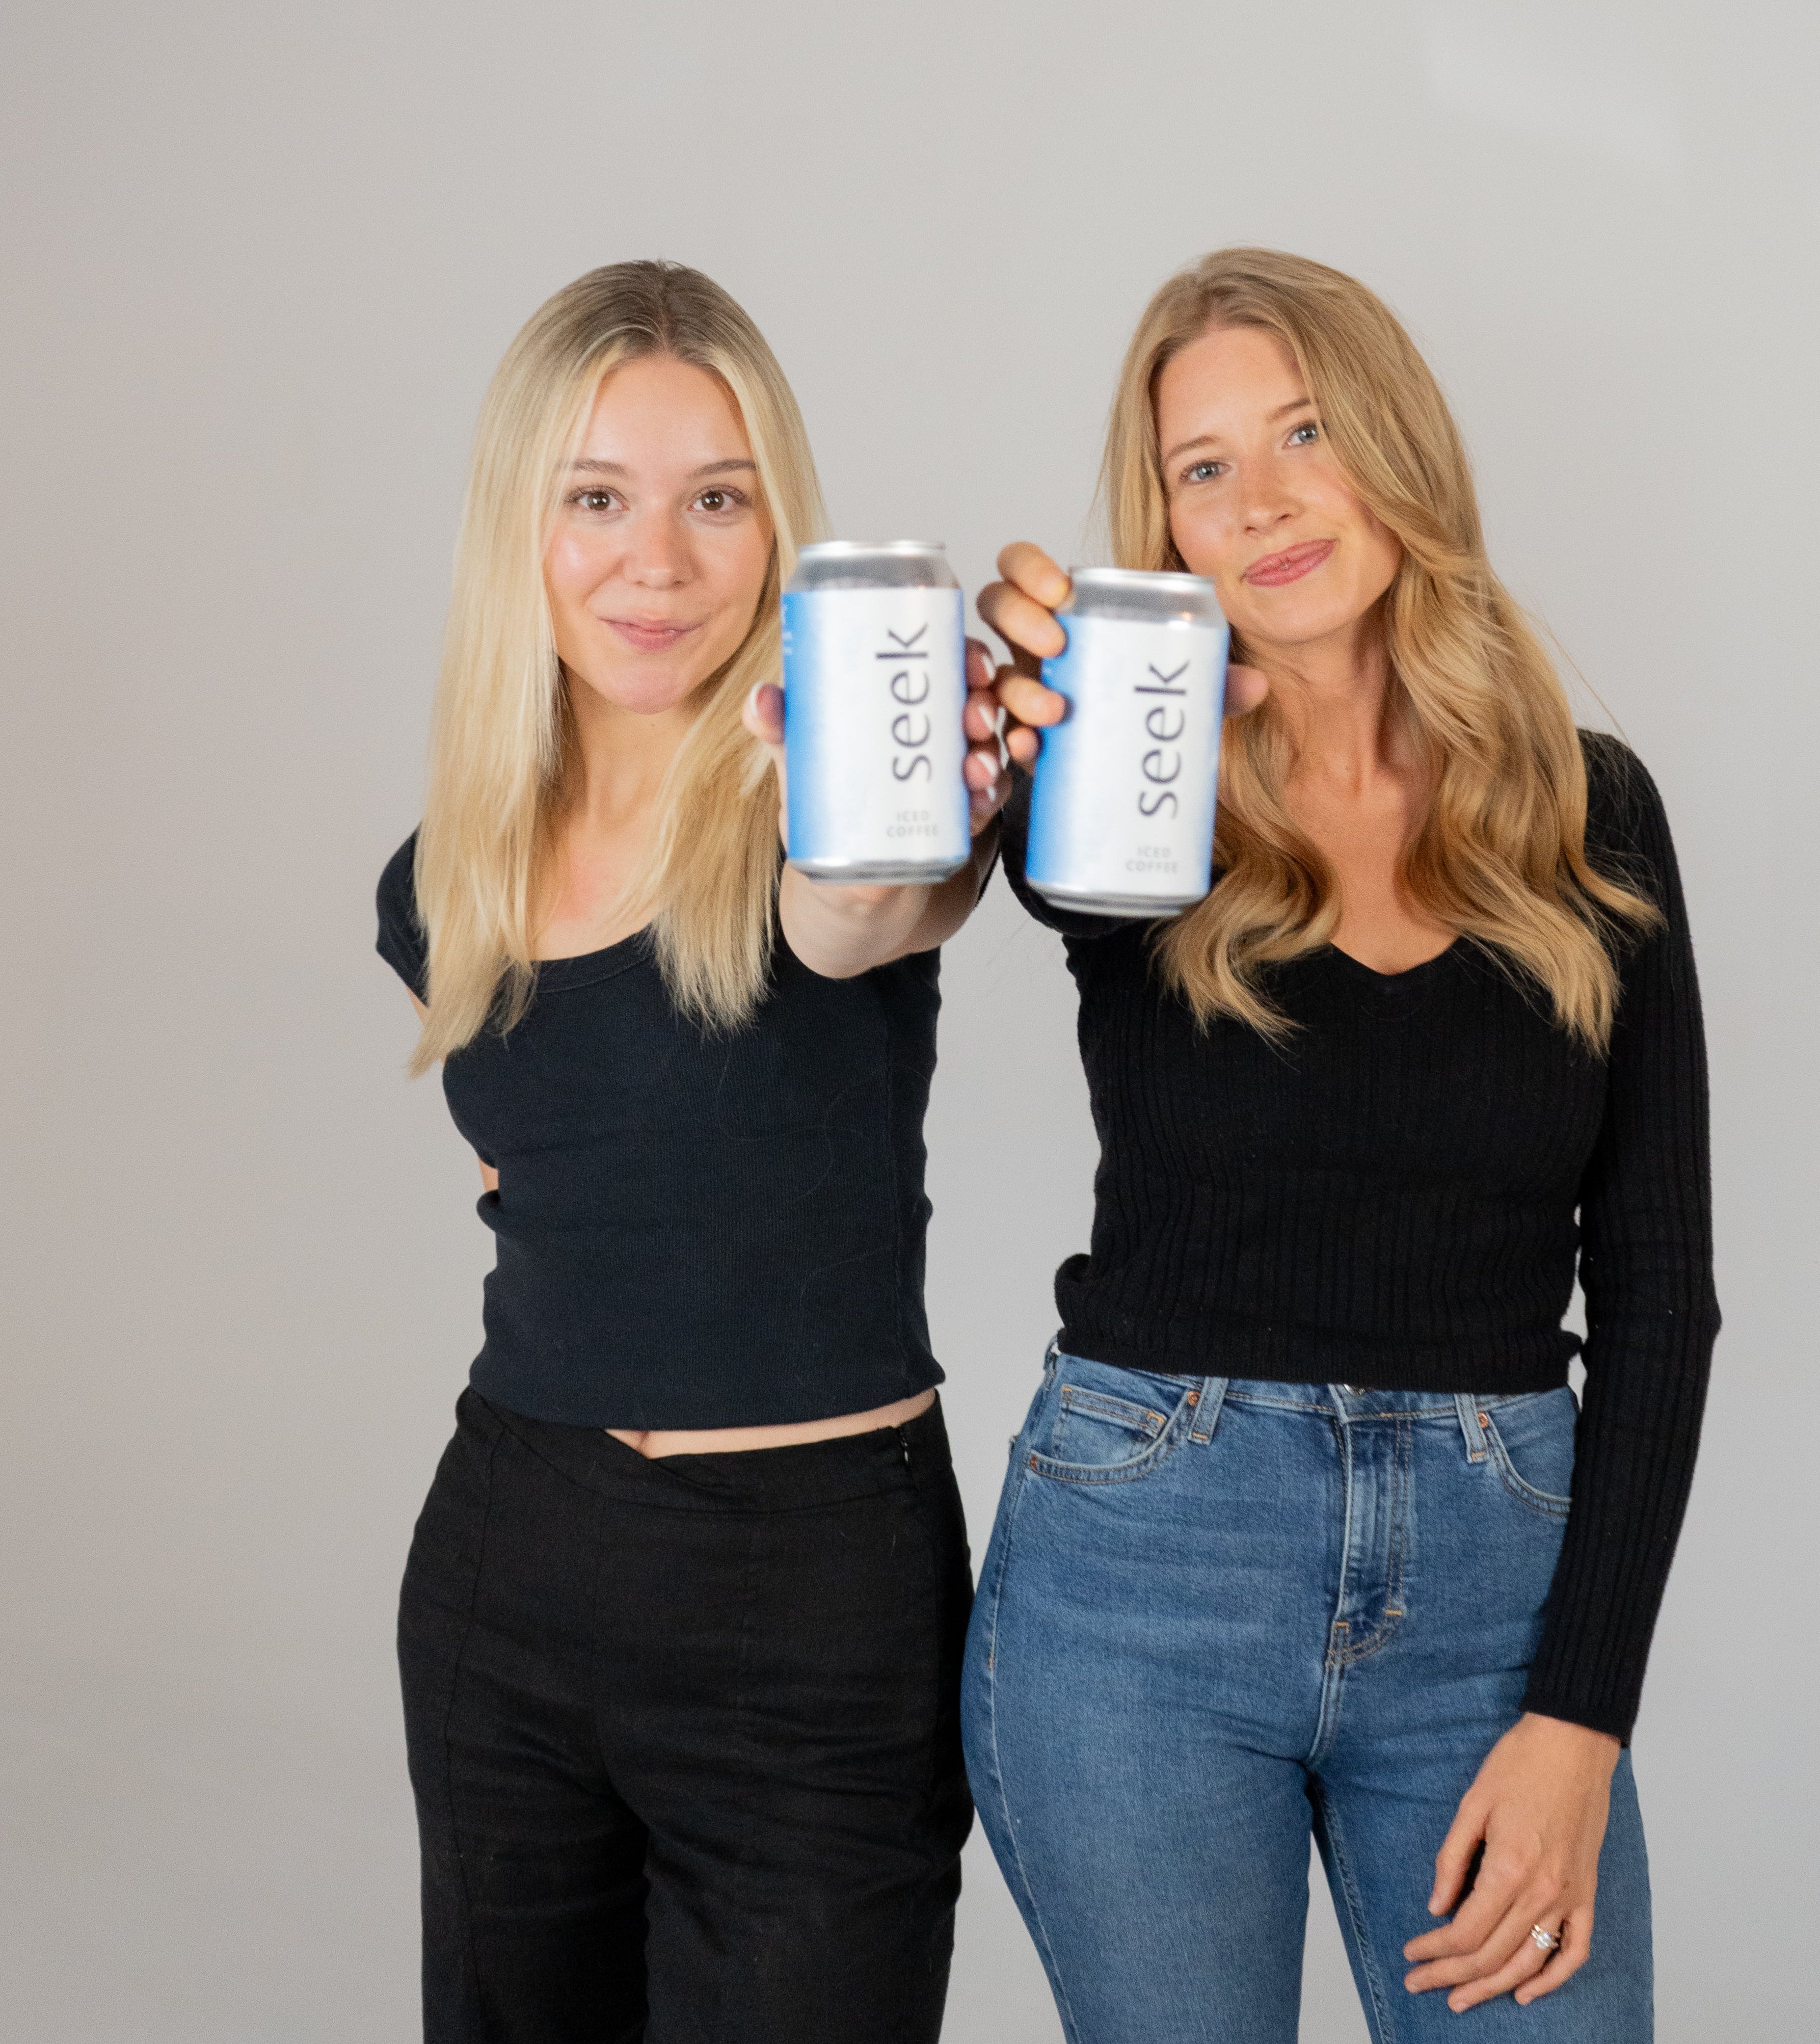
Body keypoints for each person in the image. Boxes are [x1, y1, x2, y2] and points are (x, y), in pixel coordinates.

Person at [968, 247, 1718, 2041]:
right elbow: (962, 880)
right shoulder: (1120, 797)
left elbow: (1660, 1293)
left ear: (1395, 447)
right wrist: (1013, 716)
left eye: (1304, 430)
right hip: (1145, 1581)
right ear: (1167, 524)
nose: (1266, 500)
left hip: (1493, 1603)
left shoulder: (1587, 805)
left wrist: (1579, 1716)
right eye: (1203, 466)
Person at [374, 260, 1006, 2044]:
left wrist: (887, 787)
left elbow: (863, 908)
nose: (655, 560)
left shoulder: (848, 789)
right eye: (598, 498)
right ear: (526, 523)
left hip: (810, 1609)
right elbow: (550, 1175)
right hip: (511, 1562)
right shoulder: (450, 878)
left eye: (714, 499)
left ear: (772, 522)